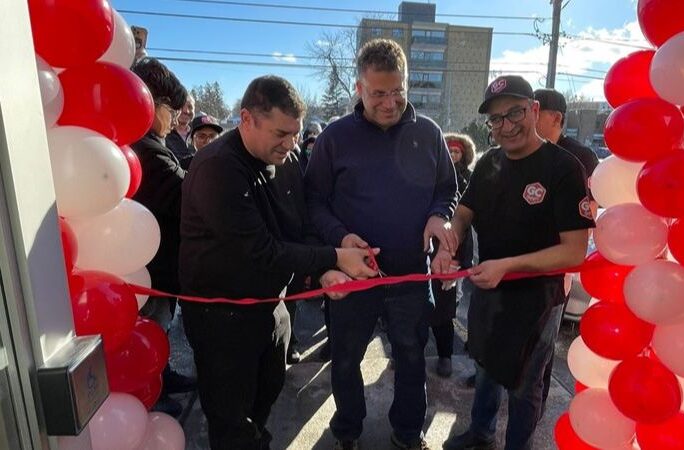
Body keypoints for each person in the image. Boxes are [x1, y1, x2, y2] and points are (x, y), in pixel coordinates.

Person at [179, 75, 378, 450]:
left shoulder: (285, 162)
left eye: (296, 135)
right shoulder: (217, 168)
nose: (289, 144)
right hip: (222, 318)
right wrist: (335, 257)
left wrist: (325, 269)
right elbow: (260, 251)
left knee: (267, 393)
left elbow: (299, 226)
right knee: (231, 415)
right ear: (247, 120)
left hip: (272, 306)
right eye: (280, 134)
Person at [305, 38, 458, 450]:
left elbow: (447, 189)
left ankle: (408, 433)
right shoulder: (335, 138)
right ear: (359, 89)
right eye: (378, 94)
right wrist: (339, 237)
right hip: (355, 275)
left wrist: (437, 216)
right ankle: (347, 431)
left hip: (411, 275)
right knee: (345, 361)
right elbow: (313, 203)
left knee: (411, 360)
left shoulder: (429, 133)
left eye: (398, 91)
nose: (390, 103)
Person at [437, 75, 594, 450]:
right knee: (486, 367)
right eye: (496, 119)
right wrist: (451, 236)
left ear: (535, 110)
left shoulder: (564, 168)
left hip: (537, 299)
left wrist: (507, 265)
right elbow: (465, 210)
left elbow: (574, 251)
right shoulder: (489, 162)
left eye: (515, 113)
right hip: (490, 290)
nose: (506, 126)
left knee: (526, 384)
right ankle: (481, 433)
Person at [130, 57, 194, 417]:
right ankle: (151, 391)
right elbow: (183, 195)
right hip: (151, 268)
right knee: (150, 330)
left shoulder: (151, 145)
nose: (174, 119)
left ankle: (163, 376)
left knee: (160, 328)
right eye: (171, 108)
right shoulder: (148, 150)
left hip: (157, 265)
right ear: (151, 102)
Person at [533, 88, 599, 413]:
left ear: (555, 118)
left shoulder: (580, 158)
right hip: (519, 260)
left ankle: (537, 401)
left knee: (544, 336)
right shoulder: (524, 152)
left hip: (557, 263)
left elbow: (591, 208)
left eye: (534, 113)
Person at [430, 133, 476, 378]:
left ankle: (445, 355)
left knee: (444, 309)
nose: (452, 155)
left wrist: (458, 260)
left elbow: (465, 226)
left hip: (451, 252)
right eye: (449, 151)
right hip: (423, 251)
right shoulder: (429, 176)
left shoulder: (469, 181)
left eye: (457, 152)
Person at [166, 93, 195, 160]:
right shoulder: (164, 134)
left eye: (190, 107)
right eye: (181, 107)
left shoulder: (198, 134)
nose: (186, 111)